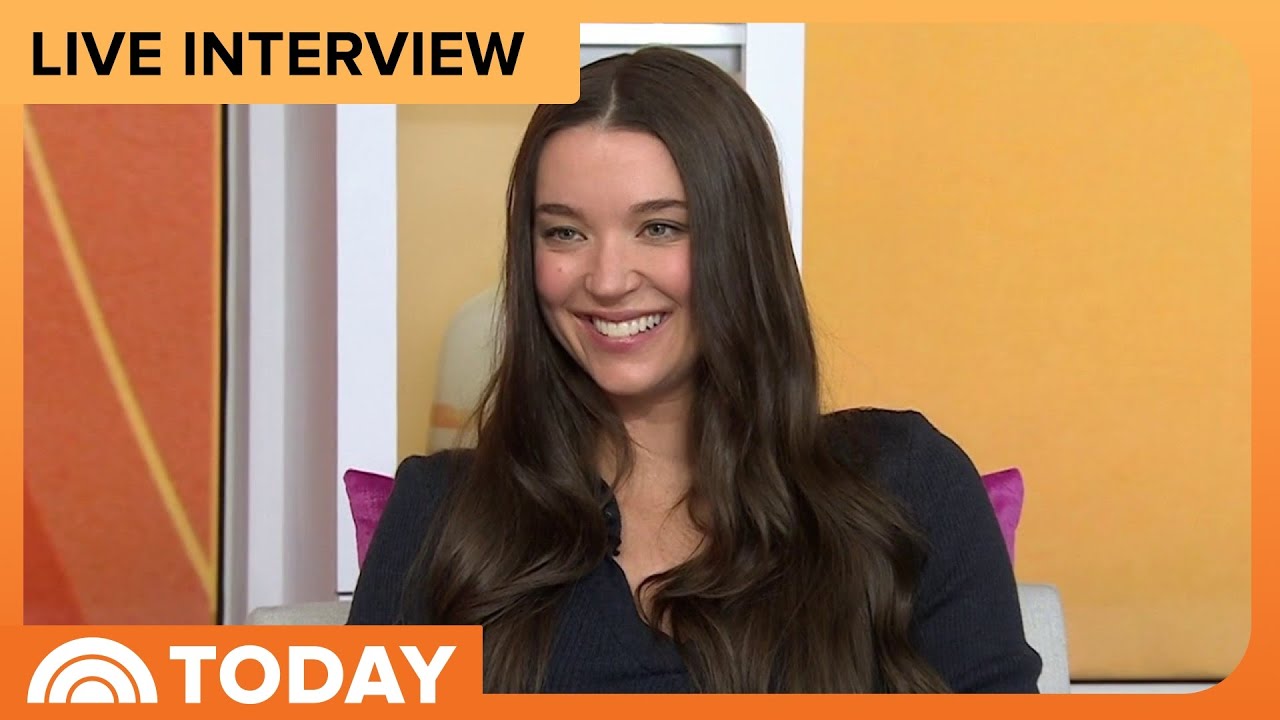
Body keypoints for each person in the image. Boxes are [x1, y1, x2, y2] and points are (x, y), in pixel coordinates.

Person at [348, 45, 1042, 694]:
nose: (608, 279)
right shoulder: (439, 515)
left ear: (742, 246)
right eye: (565, 232)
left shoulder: (908, 485)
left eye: (660, 227)